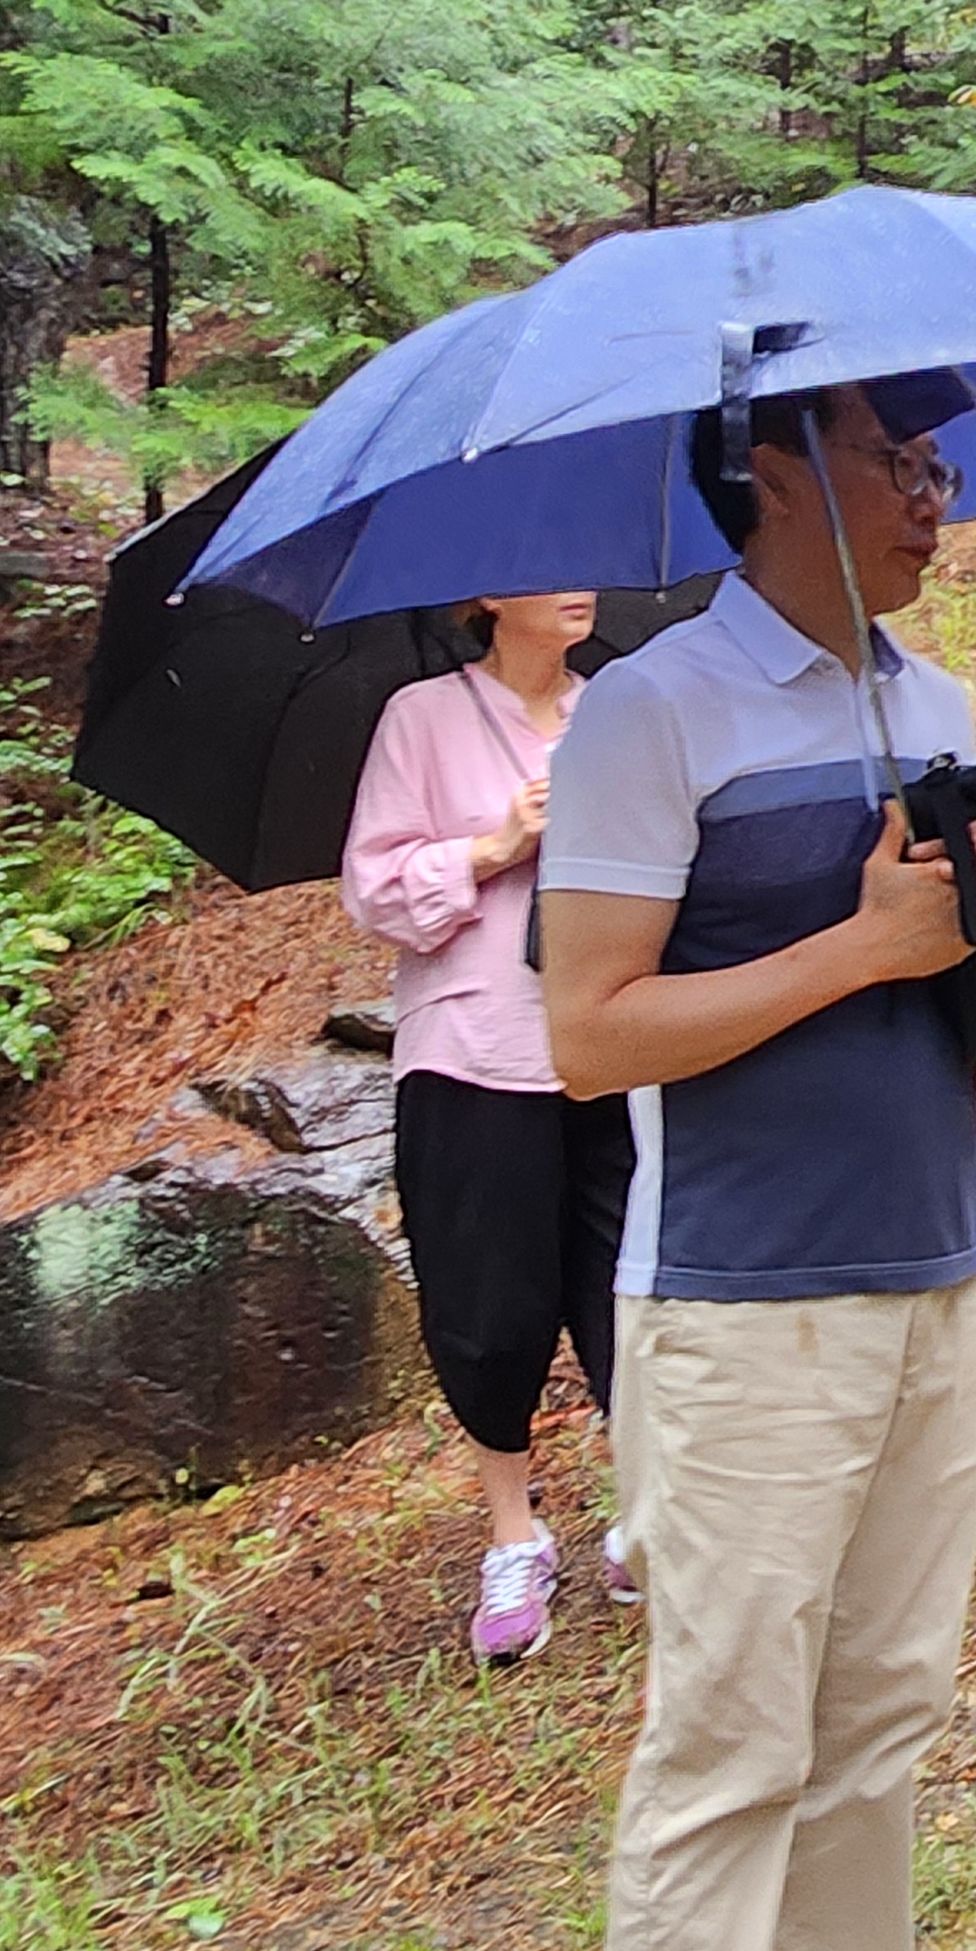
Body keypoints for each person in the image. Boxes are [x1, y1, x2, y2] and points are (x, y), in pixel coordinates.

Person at [541, 373, 976, 1951]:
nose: (937, 495)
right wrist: (858, 944)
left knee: (879, 1712)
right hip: (742, 1304)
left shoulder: (918, 697)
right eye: (894, 462)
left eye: (940, 463)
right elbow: (588, 1037)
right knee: (731, 1748)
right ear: (770, 480)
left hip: (938, 1256)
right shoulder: (649, 709)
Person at [341, 590, 635, 1662]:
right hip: (473, 1052)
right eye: (543, 564)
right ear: (484, 598)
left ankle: (641, 1507)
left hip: (611, 1040)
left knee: (632, 1283)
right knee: (490, 1305)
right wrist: (493, 843)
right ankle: (514, 1533)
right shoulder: (422, 717)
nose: (577, 582)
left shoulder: (622, 708)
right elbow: (371, 888)